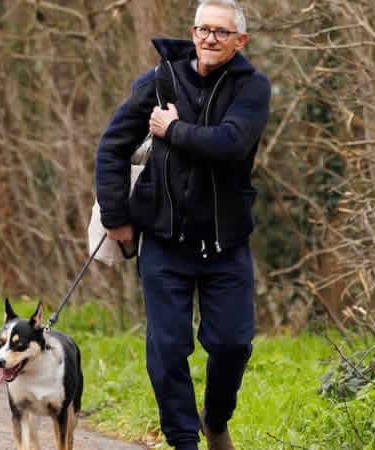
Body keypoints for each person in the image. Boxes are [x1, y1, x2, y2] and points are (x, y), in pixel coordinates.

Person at [95, 1, 270, 449]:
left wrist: (172, 130)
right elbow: (112, 147)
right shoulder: (158, 83)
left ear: (240, 40)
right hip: (163, 242)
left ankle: (215, 420)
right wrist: (116, 218)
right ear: (193, 33)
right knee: (168, 349)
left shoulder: (252, 88)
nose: (210, 38)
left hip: (225, 244)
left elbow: (231, 143)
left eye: (221, 32)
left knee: (232, 345)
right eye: (203, 29)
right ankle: (183, 441)